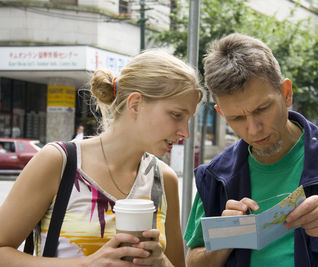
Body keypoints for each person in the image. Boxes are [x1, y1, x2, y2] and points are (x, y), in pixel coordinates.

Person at [184, 33, 318, 267]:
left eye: (262, 109)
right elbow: (193, 261)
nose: (253, 129)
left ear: (286, 93)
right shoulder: (215, 176)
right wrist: (226, 237)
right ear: (221, 113)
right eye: (237, 118)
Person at [0, 50, 203, 266]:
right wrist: (87, 264)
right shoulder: (59, 162)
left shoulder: (164, 179)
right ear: (135, 104)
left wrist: (160, 261)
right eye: (176, 115)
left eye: (188, 119)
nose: (185, 133)